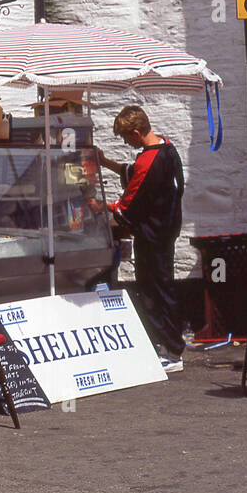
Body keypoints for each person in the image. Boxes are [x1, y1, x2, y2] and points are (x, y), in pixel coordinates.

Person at [90, 105, 186, 372]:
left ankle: (171, 351)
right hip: (166, 230)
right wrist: (106, 161)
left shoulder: (148, 161)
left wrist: (101, 207)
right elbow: (136, 175)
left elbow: (128, 205)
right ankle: (171, 347)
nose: (125, 142)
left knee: (154, 291)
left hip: (152, 234)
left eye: (125, 137)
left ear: (135, 132)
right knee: (164, 287)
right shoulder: (167, 148)